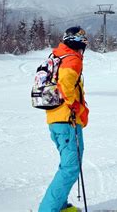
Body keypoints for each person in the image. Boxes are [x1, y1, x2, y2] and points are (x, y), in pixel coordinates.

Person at [39, 26, 89, 212]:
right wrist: (76, 107)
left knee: (67, 165)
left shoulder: (57, 56)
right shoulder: (72, 59)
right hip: (68, 120)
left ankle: (59, 205)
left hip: (55, 119)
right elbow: (66, 84)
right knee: (70, 168)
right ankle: (48, 209)